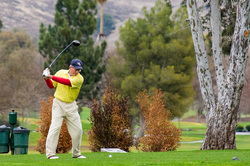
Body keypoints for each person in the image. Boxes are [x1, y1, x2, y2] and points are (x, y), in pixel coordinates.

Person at [43, 59, 85, 159]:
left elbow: (67, 82)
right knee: (55, 127)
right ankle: (50, 154)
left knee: (78, 130)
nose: (78, 71)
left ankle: (76, 153)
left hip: (71, 106)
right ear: (70, 67)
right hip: (58, 104)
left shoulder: (79, 78)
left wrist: (50, 76)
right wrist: (46, 78)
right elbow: (51, 85)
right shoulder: (60, 72)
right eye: (76, 69)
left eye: (79, 69)